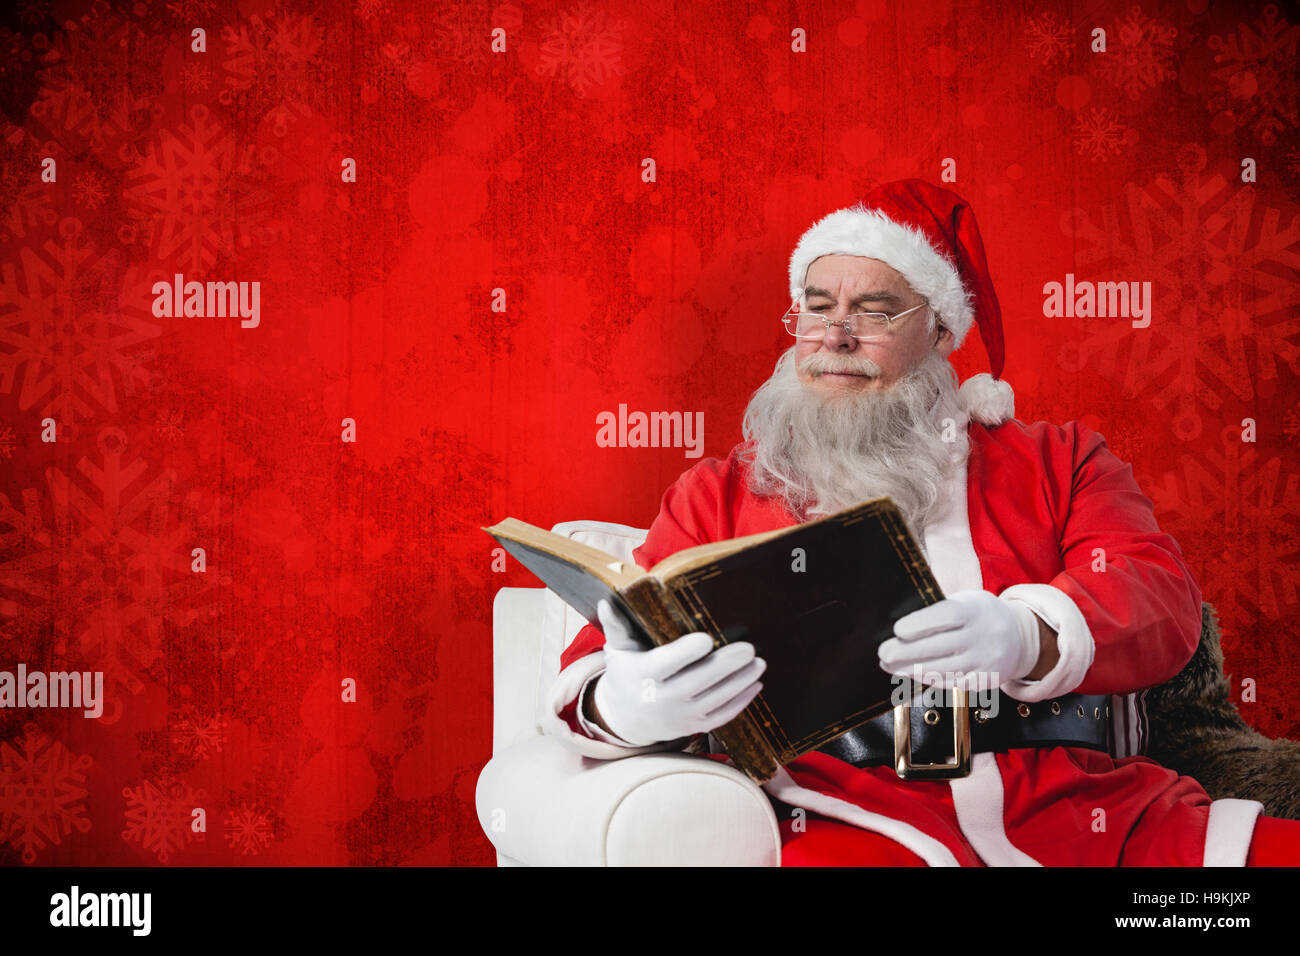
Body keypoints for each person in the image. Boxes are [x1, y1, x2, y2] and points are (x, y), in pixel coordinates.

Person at [542, 179, 1300, 866]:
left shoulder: (1059, 460)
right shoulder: (716, 493)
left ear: (942, 332)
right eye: (818, 305)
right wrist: (631, 704)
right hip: (844, 823)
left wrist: (1029, 634)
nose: (836, 335)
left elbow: (1159, 596)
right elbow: (595, 661)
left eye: (875, 312)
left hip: (1100, 818)